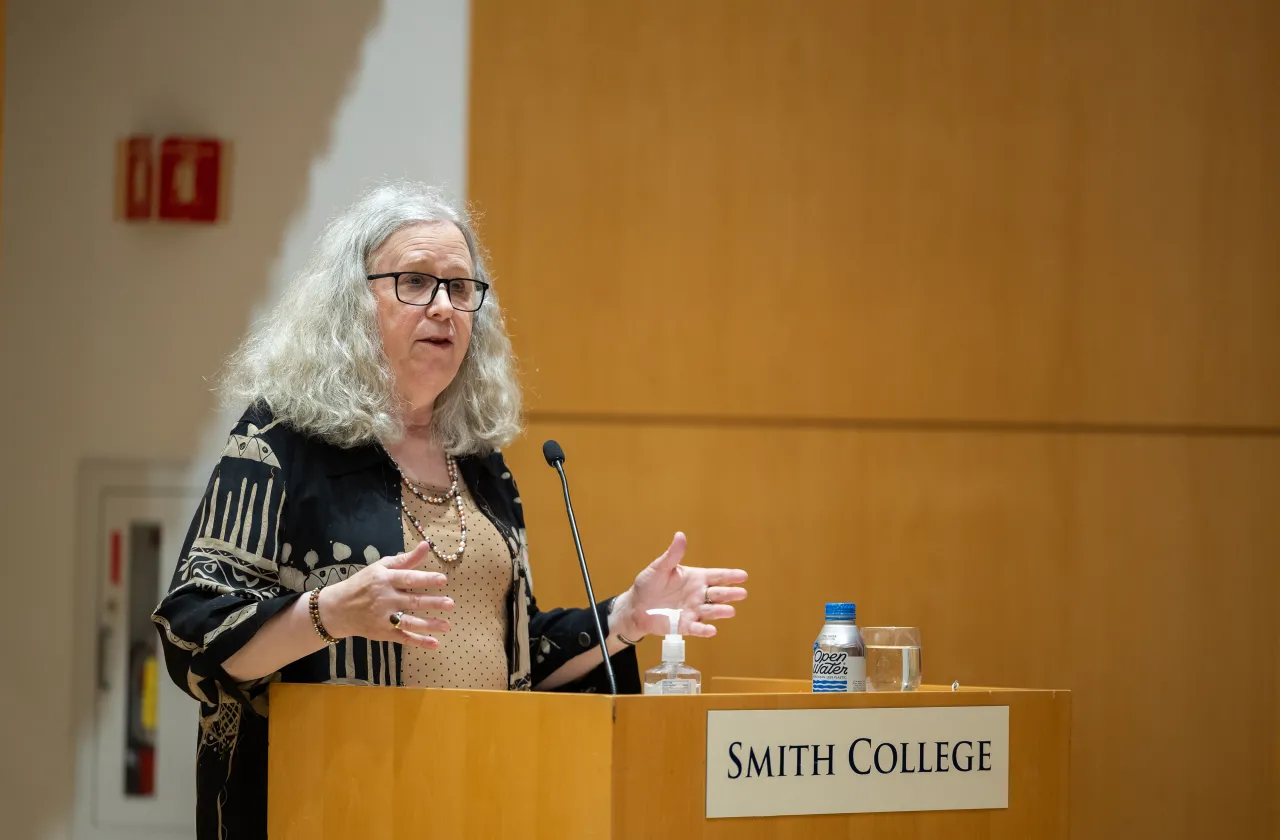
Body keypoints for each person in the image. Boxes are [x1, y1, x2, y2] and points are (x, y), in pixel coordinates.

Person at [152, 181, 749, 840]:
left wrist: (624, 619)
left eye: (461, 288)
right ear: (354, 303)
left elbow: (514, 655)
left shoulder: (480, 461)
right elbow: (194, 632)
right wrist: (330, 614)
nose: (443, 306)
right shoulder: (281, 439)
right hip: (331, 806)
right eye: (415, 281)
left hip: (479, 801)